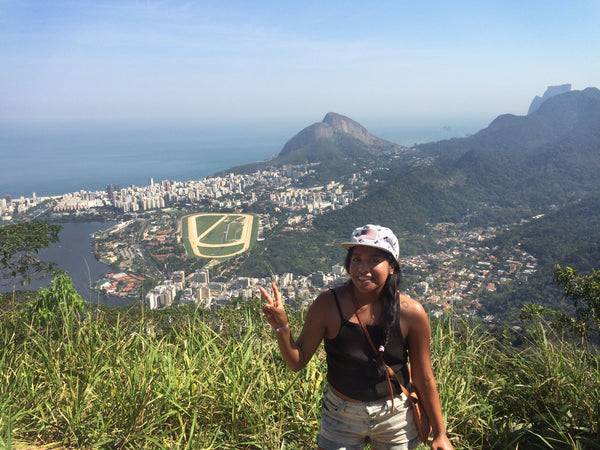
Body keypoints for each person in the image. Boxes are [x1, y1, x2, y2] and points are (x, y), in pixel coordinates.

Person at [260, 224, 453, 450]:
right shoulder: (327, 305)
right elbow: (297, 361)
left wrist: (440, 433)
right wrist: (282, 327)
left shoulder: (411, 313)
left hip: (395, 416)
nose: (363, 268)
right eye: (357, 259)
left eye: (374, 260)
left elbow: (424, 377)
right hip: (341, 415)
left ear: (392, 267)